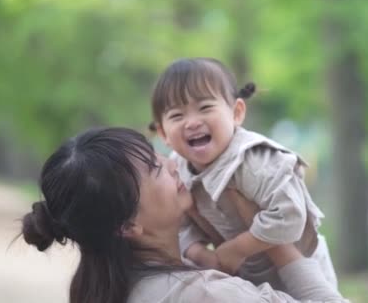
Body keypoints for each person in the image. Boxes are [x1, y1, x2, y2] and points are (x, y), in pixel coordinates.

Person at [20, 127, 348, 303]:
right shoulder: (204, 294)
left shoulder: (108, 289)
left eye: (157, 155)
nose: (172, 162)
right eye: (154, 168)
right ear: (128, 225)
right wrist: (270, 237)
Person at [150, 57, 339, 291]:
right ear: (163, 133)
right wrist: (197, 252)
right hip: (249, 277)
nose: (192, 123)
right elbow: (181, 221)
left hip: (301, 267)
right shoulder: (176, 168)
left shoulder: (253, 159)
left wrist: (237, 248)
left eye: (205, 108)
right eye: (177, 116)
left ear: (236, 113)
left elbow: (290, 215)